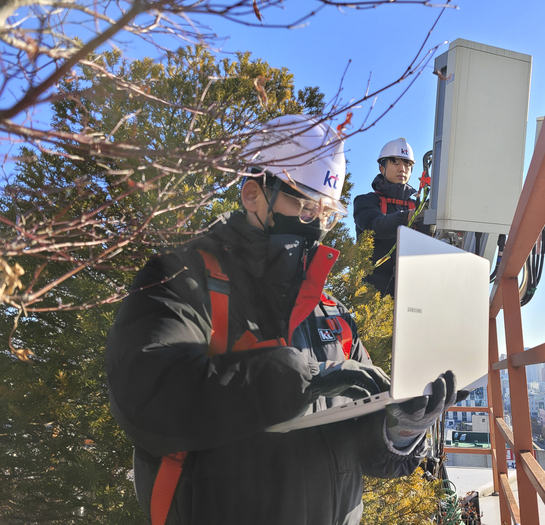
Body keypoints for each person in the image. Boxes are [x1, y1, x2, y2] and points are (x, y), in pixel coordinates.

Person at [105, 115, 464, 525]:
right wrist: (297, 379)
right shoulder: (185, 281)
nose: (316, 226)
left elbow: (367, 452)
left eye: (326, 212)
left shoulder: (333, 315)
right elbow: (145, 395)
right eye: (304, 205)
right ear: (253, 193)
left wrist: (403, 429)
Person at [353, 138, 420, 297]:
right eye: (396, 163)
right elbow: (375, 226)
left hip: (411, 293)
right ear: (382, 168)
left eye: (407, 165)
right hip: (373, 296)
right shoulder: (366, 201)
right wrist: (407, 218)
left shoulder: (417, 206)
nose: (402, 169)